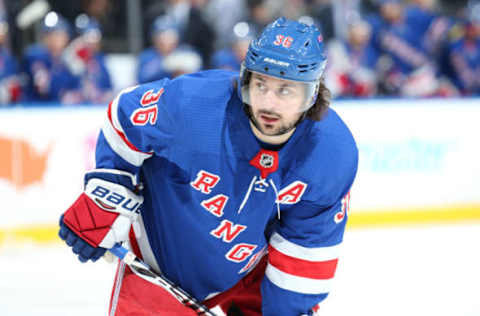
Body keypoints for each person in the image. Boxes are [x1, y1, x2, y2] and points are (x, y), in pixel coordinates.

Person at [58, 17, 358, 316]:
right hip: (159, 261)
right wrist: (106, 197)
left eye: (286, 90)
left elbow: (304, 251)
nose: (268, 103)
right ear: (245, 80)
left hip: (251, 273)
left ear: (313, 94)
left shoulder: (329, 154)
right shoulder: (195, 106)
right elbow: (126, 116)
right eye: (260, 84)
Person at [22, 11, 81, 103]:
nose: (53, 39)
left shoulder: (68, 59)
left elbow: (77, 88)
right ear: (43, 37)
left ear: (66, 37)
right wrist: (63, 95)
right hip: (35, 110)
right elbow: (43, 87)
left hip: (60, 111)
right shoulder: (36, 56)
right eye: (49, 34)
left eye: (58, 34)